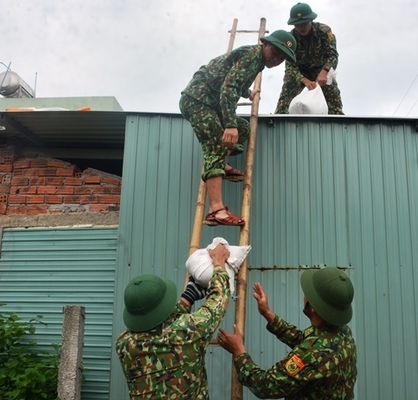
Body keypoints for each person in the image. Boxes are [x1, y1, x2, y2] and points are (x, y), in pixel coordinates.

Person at [180, 30, 297, 227]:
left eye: (282, 57)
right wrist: (229, 124)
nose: (277, 59)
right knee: (217, 144)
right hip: (198, 100)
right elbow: (228, 88)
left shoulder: (256, 61)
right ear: (265, 44)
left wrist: (248, 93)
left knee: (243, 129)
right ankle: (216, 210)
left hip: (210, 102)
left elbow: (232, 77)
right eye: (276, 52)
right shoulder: (252, 57)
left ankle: (220, 163)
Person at [217, 267, 357, 399]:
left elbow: (265, 386)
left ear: (313, 307)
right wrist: (268, 314)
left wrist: (238, 351)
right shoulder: (342, 331)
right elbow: (303, 340)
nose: (305, 296)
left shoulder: (312, 353)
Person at [115, 244, 231, 399]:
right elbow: (218, 300)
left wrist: (187, 298)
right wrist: (219, 264)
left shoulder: (124, 344)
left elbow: (160, 326)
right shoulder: (190, 331)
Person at [275, 3, 344, 115]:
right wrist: (304, 80)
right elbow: (290, 66)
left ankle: (337, 118)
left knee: (332, 92)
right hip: (300, 74)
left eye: (304, 23)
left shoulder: (324, 31)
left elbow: (332, 55)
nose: (301, 27)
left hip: (321, 71)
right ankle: (279, 118)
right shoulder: (290, 39)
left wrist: (324, 72)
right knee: (288, 87)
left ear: (311, 20)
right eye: (297, 24)